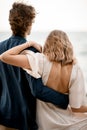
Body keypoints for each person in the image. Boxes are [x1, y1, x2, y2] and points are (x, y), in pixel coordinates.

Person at [0, 2, 69, 130]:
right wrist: (66, 99)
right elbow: (38, 90)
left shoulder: (0, 48)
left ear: (11, 23)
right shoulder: (32, 51)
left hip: (3, 116)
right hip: (24, 120)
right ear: (29, 24)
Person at [1, 29, 87, 130]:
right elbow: (76, 108)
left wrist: (29, 43)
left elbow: (4, 56)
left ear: (47, 44)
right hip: (69, 124)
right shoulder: (76, 69)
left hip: (45, 125)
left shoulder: (39, 61)